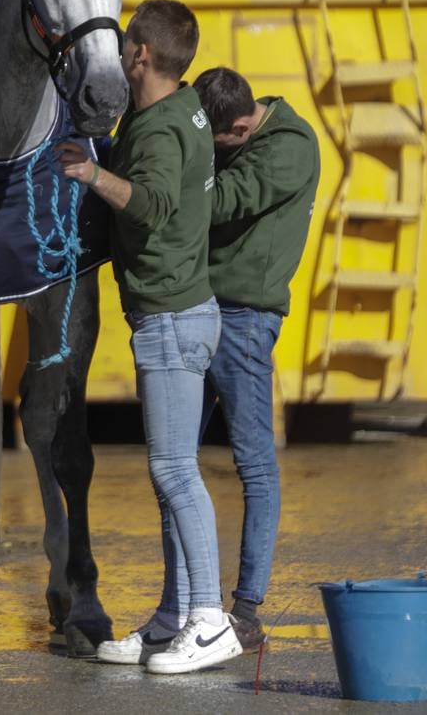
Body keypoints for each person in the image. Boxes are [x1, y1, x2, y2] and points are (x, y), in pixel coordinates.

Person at [57, 0, 240, 674]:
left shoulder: (161, 128)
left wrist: (90, 174)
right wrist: (104, 150)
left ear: (139, 56)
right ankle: (172, 617)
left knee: (174, 472)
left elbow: (156, 203)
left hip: (170, 318)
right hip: (180, 311)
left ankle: (211, 622)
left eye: (125, 42)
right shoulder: (178, 106)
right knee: (170, 475)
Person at [187, 66, 320, 653]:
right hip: (197, 308)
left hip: (244, 321)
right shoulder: (232, 128)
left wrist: (170, 180)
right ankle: (189, 604)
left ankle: (246, 611)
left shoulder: (290, 148)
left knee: (256, 468)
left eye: (212, 145)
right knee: (173, 463)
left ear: (241, 126)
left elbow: (228, 201)